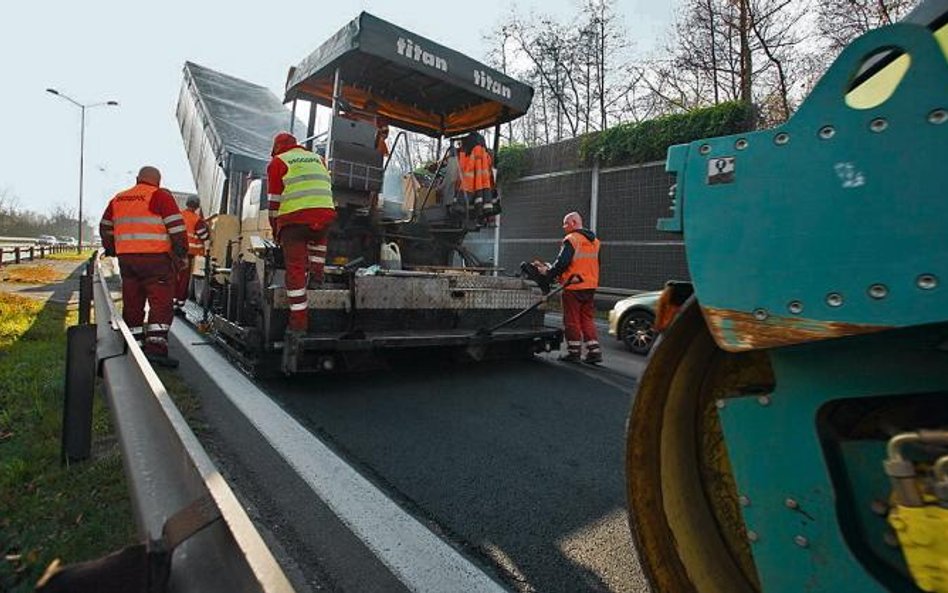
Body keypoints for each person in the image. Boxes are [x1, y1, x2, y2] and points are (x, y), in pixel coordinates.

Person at [99, 166, 187, 368]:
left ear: (138, 179)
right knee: (160, 303)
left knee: (133, 302)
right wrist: (180, 255)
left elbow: (105, 227)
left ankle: (134, 345)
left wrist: (113, 248)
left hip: (128, 261)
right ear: (158, 181)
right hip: (157, 261)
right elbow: (176, 228)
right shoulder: (159, 196)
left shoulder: (118, 199)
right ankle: (155, 349)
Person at [267, 132, 337, 336]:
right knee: (318, 235)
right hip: (325, 214)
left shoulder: (278, 162)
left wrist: (275, 230)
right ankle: (317, 275)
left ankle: (298, 324)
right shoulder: (318, 159)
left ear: (276, 148)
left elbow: (273, 203)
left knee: (295, 271)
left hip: (294, 222)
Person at [534, 211, 602, 364]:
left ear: (573, 223)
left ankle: (573, 352)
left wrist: (549, 273)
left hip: (573, 286)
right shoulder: (595, 241)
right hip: (590, 286)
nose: (563, 227)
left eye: (565, 223)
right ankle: (594, 351)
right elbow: (596, 263)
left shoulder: (572, 239)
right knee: (587, 318)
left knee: (572, 320)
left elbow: (562, 263)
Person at [174, 195, 209, 313]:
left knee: (174, 277)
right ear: (197, 206)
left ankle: (170, 300)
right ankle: (178, 304)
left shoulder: (179, 215)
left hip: (175, 252)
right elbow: (204, 236)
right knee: (184, 279)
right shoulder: (197, 220)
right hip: (188, 253)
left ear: (187, 203)